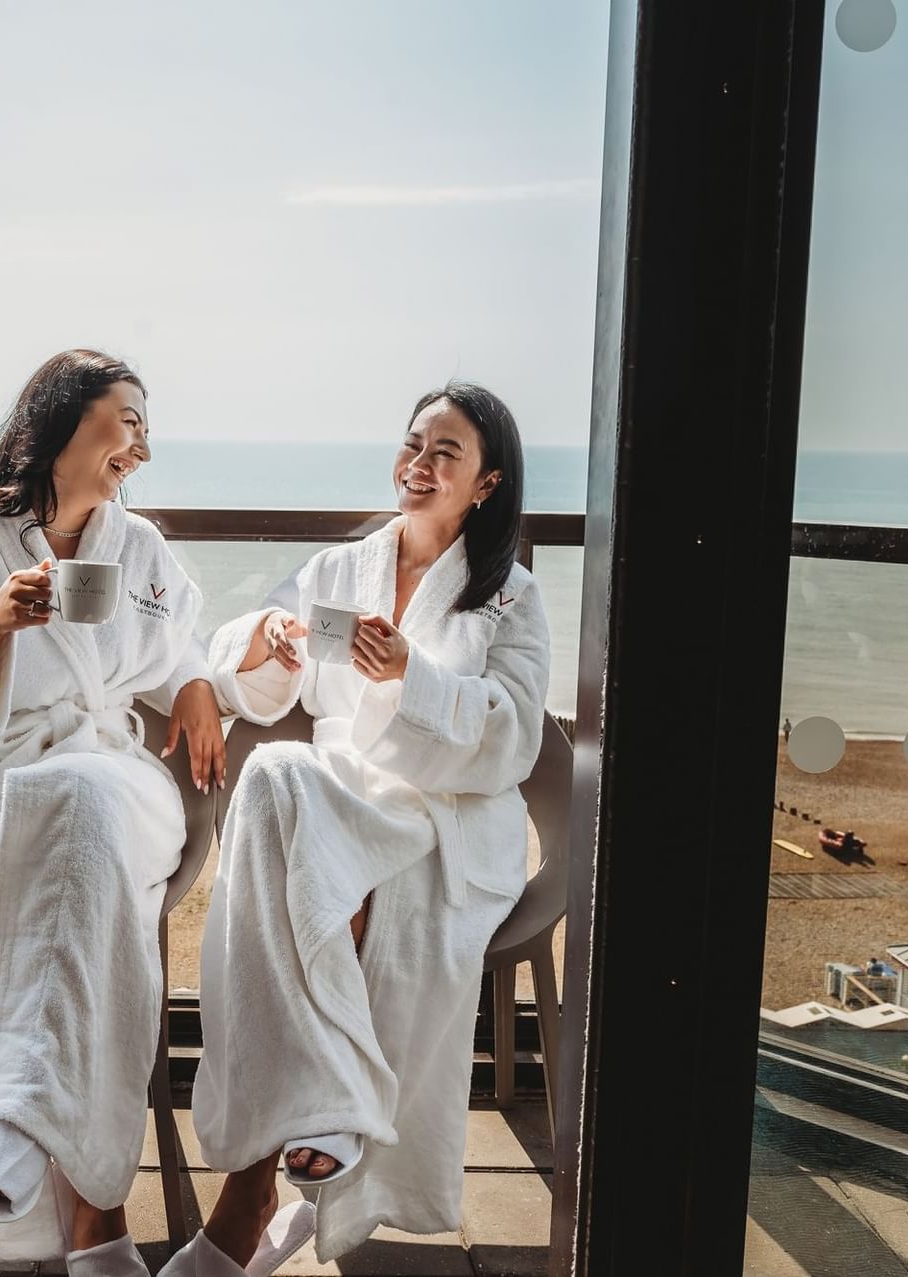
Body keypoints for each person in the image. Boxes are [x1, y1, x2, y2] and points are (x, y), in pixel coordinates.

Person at [162, 382, 550, 1275]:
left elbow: (517, 734)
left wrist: (415, 674)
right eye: (414, 444)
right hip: (346, 793)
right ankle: (322, 1114)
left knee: (294, 840)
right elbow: (248, 658)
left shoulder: (509, 598)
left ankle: (252, 1191)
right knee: (274, 777)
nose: (419, 464)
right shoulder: (342, 570)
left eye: (446, 453)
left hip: (446, 817)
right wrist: (266, 639)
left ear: (487, 483)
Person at [0, 350, 225, 1274]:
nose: (140, 444)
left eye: (147, 426)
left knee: (75, 801)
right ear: (64, 419)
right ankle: (81, 1221)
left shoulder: (135, 544)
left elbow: (176, 637)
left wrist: (190, 683)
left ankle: (24, 1123)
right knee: (21, 850)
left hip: (114, 773)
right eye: (128, 419)